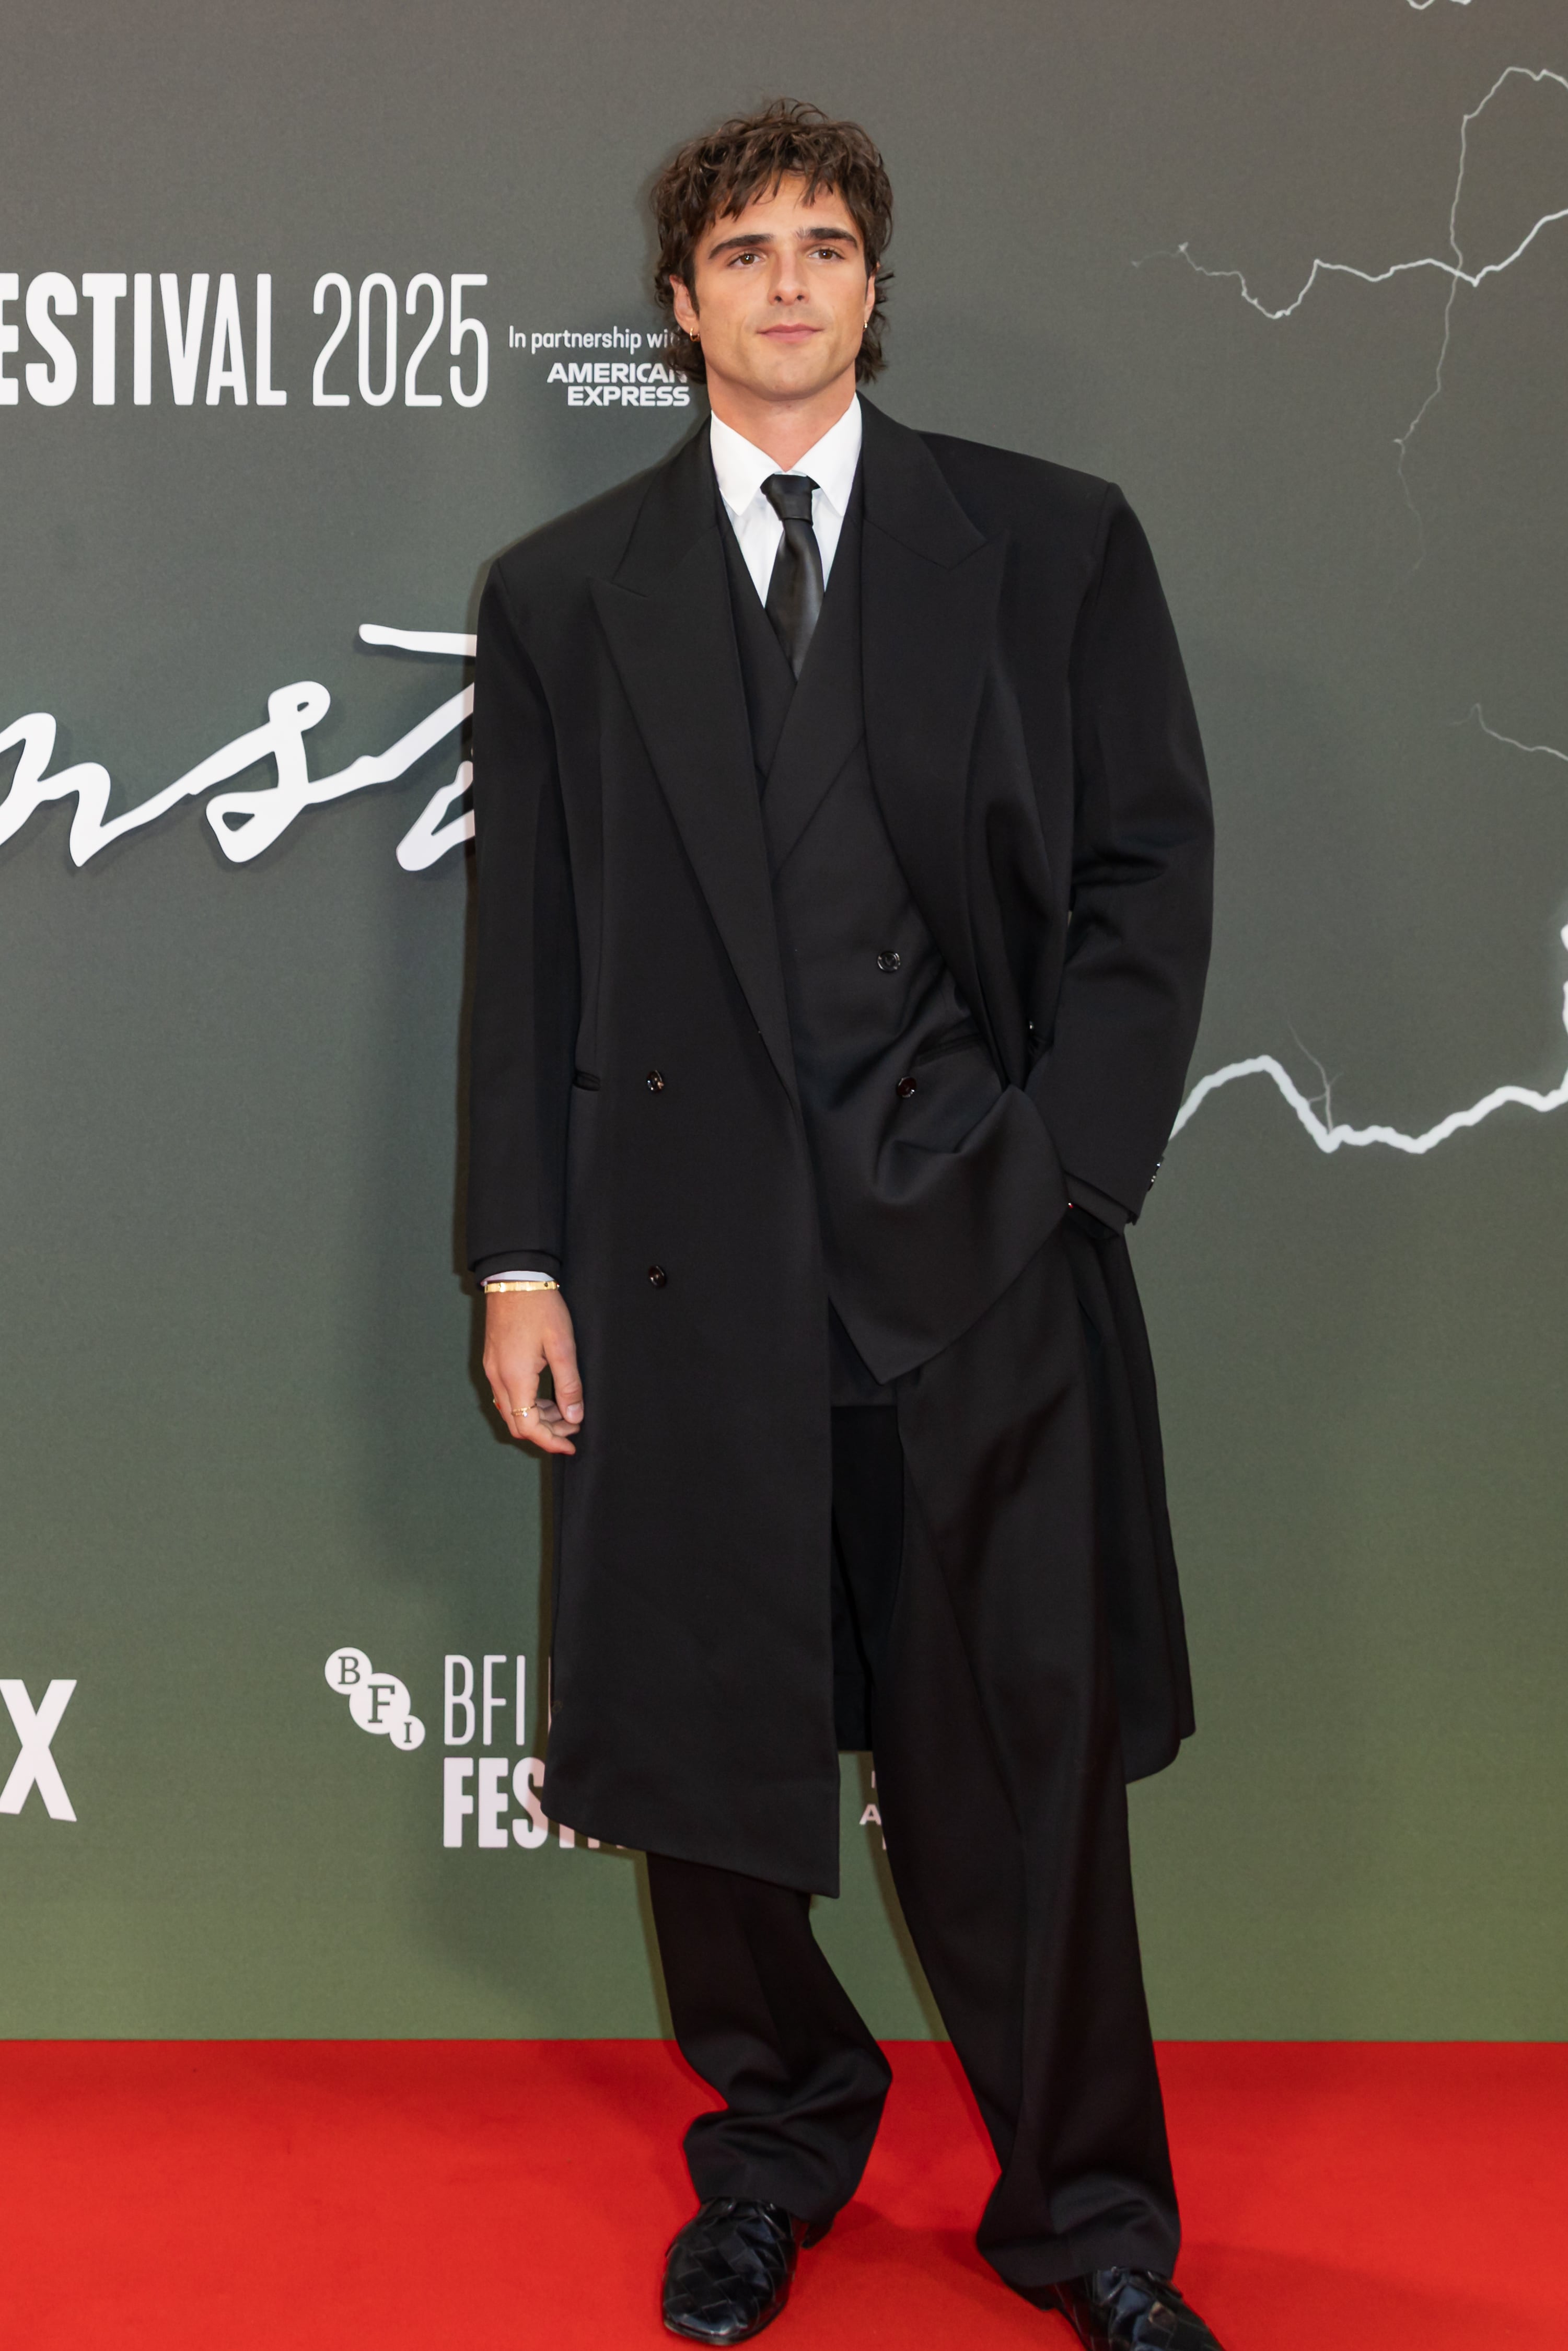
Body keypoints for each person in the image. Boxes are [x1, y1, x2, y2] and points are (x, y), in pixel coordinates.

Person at [467, 99, 1221, 2351]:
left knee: (1025, 1766)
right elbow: (534, 958)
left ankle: (1090, 2220)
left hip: (978, 1265)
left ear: (871, 289)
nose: (787, 281)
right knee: (713, 1769)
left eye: (824, 244)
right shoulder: (566, 597)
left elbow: (1143, 884)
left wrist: (1057, 1173)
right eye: (742, 249)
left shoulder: (1051, 544)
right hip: (685, 1283)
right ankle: (779, 2145)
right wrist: (520, 1258)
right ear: (679, 299)